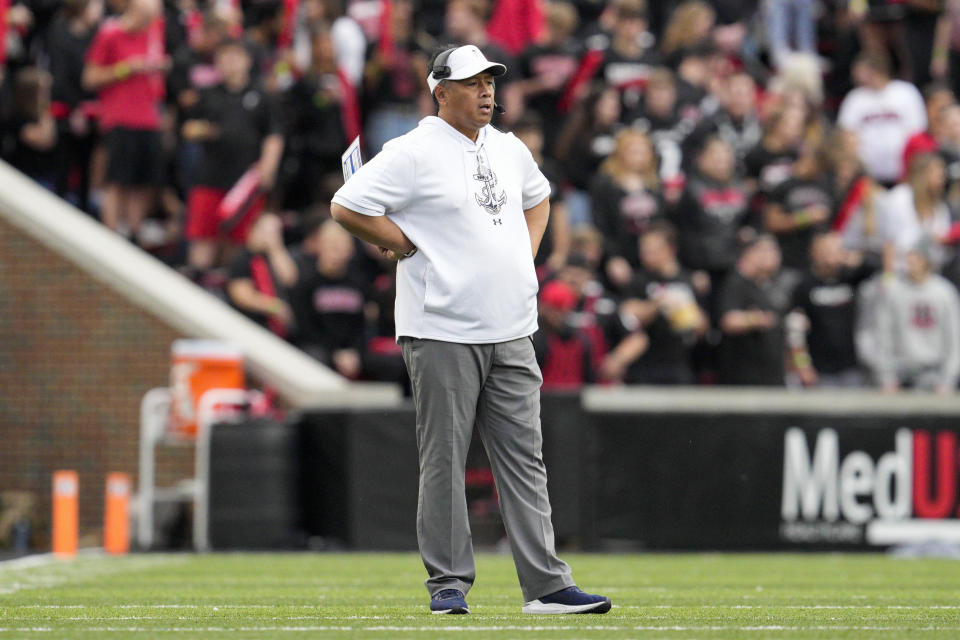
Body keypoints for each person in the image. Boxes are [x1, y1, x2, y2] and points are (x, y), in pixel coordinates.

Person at [329, 44, 610, 616]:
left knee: (524, 460)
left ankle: (547, 585)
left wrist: (523, 258)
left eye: (490, 81)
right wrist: (401, 241)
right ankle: (449, 584)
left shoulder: (508, 148)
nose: (486, 91)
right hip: (442, 327)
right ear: (441, 91)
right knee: (445, 458)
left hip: (511, 325)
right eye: (472, 82)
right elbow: (347, 204)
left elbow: (539, 198)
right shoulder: (411, 152)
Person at [181, 38, 284, 271]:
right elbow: (187, 128)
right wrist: (202, 130)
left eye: (235, 56)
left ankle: (229, 291)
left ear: (247, 61)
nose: (229, 62)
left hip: (244, 184)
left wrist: (268, 167)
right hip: (209, 179)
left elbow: (274, 134)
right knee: (202, 244)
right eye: (224, 57)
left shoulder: (262, 96)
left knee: (238, 246)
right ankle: (199, 286)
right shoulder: (206, 94)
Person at [82, 0, 169, 237]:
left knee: (143, 183)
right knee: (117, 180)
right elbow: (89, 78)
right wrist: (125, 69)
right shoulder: (110, 33)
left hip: (149, 118)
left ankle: (135, 234)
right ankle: (110, 233)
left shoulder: (153, 35)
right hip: (119, 118)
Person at [873, 242, 960, 393]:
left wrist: (948, 379)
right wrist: (886, 377)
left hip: (934, 373)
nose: (910, 264)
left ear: (927, 261)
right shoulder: (894, 291)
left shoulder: (944, 292)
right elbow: (883, 334)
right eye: (907, 259)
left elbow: (954, 337)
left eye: (916, 258)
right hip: (901, 374)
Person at [837, 51, 927, 186]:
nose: (855, 76)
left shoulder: (905, 92)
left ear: (877, 69)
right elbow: (846, 134)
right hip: (867, 177)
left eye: (860, 71)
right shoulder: (855, 98)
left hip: (905, 175)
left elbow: (917, 132)